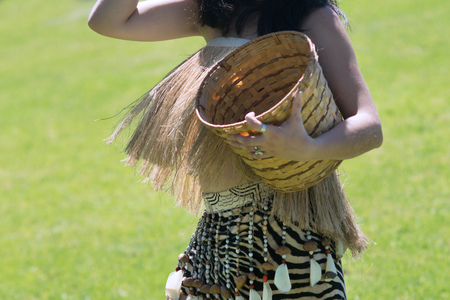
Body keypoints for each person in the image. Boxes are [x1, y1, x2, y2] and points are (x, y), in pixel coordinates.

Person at [88, 0, 383, 299]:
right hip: (217, 234)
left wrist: (308, 147)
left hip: (288, 236)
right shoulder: (211, 11)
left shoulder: (311, 15)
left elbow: (369, 125)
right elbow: (108, 21)